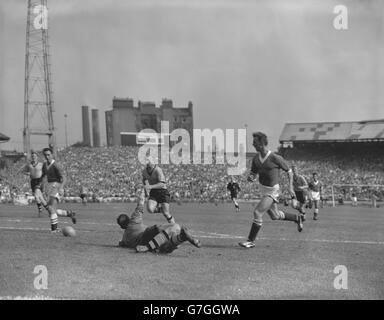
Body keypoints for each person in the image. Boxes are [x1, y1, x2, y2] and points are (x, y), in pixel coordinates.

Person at [239, 132, 304, 249]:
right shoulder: (255, 159)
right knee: (275, 215)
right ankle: (297, 218)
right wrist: (251, 178)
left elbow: (289, 171)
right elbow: (253, 174)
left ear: (262, 143)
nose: (253, 144)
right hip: (264, 190)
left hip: (272, 191)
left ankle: (250, 241)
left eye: (255, 142)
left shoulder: (275, 157)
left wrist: (290, 187)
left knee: (257, 212)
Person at [117, 188, 201, 253]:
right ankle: (148, 247)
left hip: (148, 243)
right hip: (148, 234)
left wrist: (121, 243)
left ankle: (182, 237)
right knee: (175, 227)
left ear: (121, 227)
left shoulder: (126, 238)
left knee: (166, 247)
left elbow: (121, 243)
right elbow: (140, 203)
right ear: (129, 219)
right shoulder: (134, 221)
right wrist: (143, 190)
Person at [41, 147, 76, 233]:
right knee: (51, 211)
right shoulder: (44, 165)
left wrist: (61, 188)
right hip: (49, 187)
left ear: (52, 155)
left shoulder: (56, 165)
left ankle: (54, 229)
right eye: (45, 155)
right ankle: (69, 213)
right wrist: (42, 187)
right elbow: (43, 176)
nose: (47, 157)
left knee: (51, 208)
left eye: (48, 155)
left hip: (56, 186)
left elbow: (64, 178)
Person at [142, 159, 175, 224]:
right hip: (154, 192)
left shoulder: (158, 170)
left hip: (163, 192)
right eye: (147, 165)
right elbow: (144, 179)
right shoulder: (144, 171)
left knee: (166, 214)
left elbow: (162, 184)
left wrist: (150, 186)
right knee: (150, 209)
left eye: (150, 165)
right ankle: (162, 209)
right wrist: (146, 190)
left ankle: (175, 227)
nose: (148, 166)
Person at [15, 151, 48, 217]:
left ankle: (40, 210)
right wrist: (26, 173)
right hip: (33, 181)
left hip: (39, 180)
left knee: (36, 194)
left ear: (37, 157)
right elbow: (23, 171)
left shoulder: (41, 164)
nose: (34, 157)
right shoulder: (29, 165)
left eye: (35, 156)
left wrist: (44, 180)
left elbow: (45, 173)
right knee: (39, 197)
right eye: (32, 156)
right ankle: (49, 209)